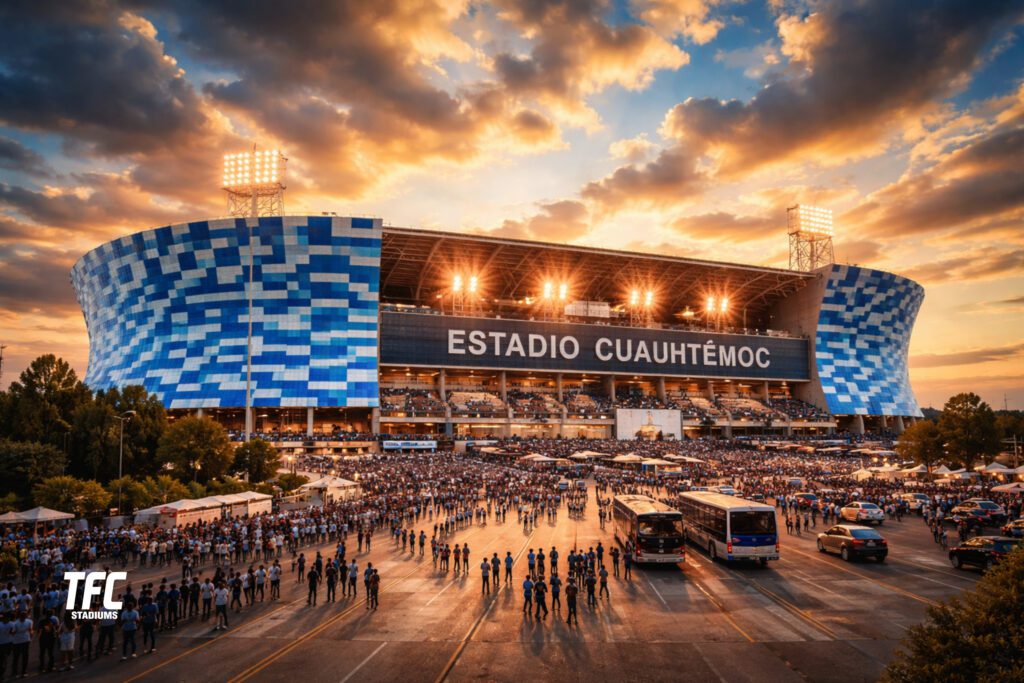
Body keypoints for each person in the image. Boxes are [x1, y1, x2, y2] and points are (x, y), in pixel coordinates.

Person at [10, 612, 32, 677]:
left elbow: (13, 633)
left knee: (17, 657)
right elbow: (30, 630)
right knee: (20, 657)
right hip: (22, 641)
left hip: (19, 641)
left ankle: (17, 672)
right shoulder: (29, 621)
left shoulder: (15, 623)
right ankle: (22, 671)